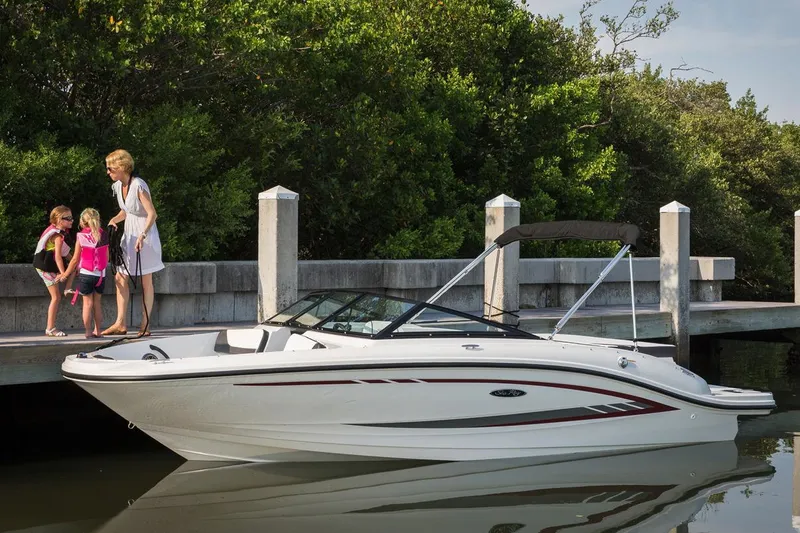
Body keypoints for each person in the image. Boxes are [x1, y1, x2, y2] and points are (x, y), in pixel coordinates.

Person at [101, 149, 164, 337]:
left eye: (110, 168)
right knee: (120, 277)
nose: (108, 172)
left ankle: (145, 324)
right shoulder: (118, 186)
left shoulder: (138, 185)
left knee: (146, 281)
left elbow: (152, 213)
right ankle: (120, 322)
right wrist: (114, 219)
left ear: (121, 167)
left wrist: (143, 235)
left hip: (144, 236)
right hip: (129, 234)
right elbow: (126, 211)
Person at [58, 208, 109, 338]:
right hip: (100, 275)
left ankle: (87, 331)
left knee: (87, 304)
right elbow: (107, 257)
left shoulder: (81, 236)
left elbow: (75, 259)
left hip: (86, 274)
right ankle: (98, 330)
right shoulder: (104, 235)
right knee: (97, 303)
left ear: (82, 222)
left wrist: (65, 274)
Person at [33, 205, 74, 337]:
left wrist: (74, 263)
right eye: (67, 218)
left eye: (71, 218)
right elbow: (57, 256)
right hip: (44, 267)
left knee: (73, 268)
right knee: (56, 297)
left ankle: (67, 288)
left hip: (46, 265)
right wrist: (63, 273)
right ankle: (50, 328)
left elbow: (65, 253)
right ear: (58, 220)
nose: (71, 220)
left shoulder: (56, 231)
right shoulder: (57, 235)